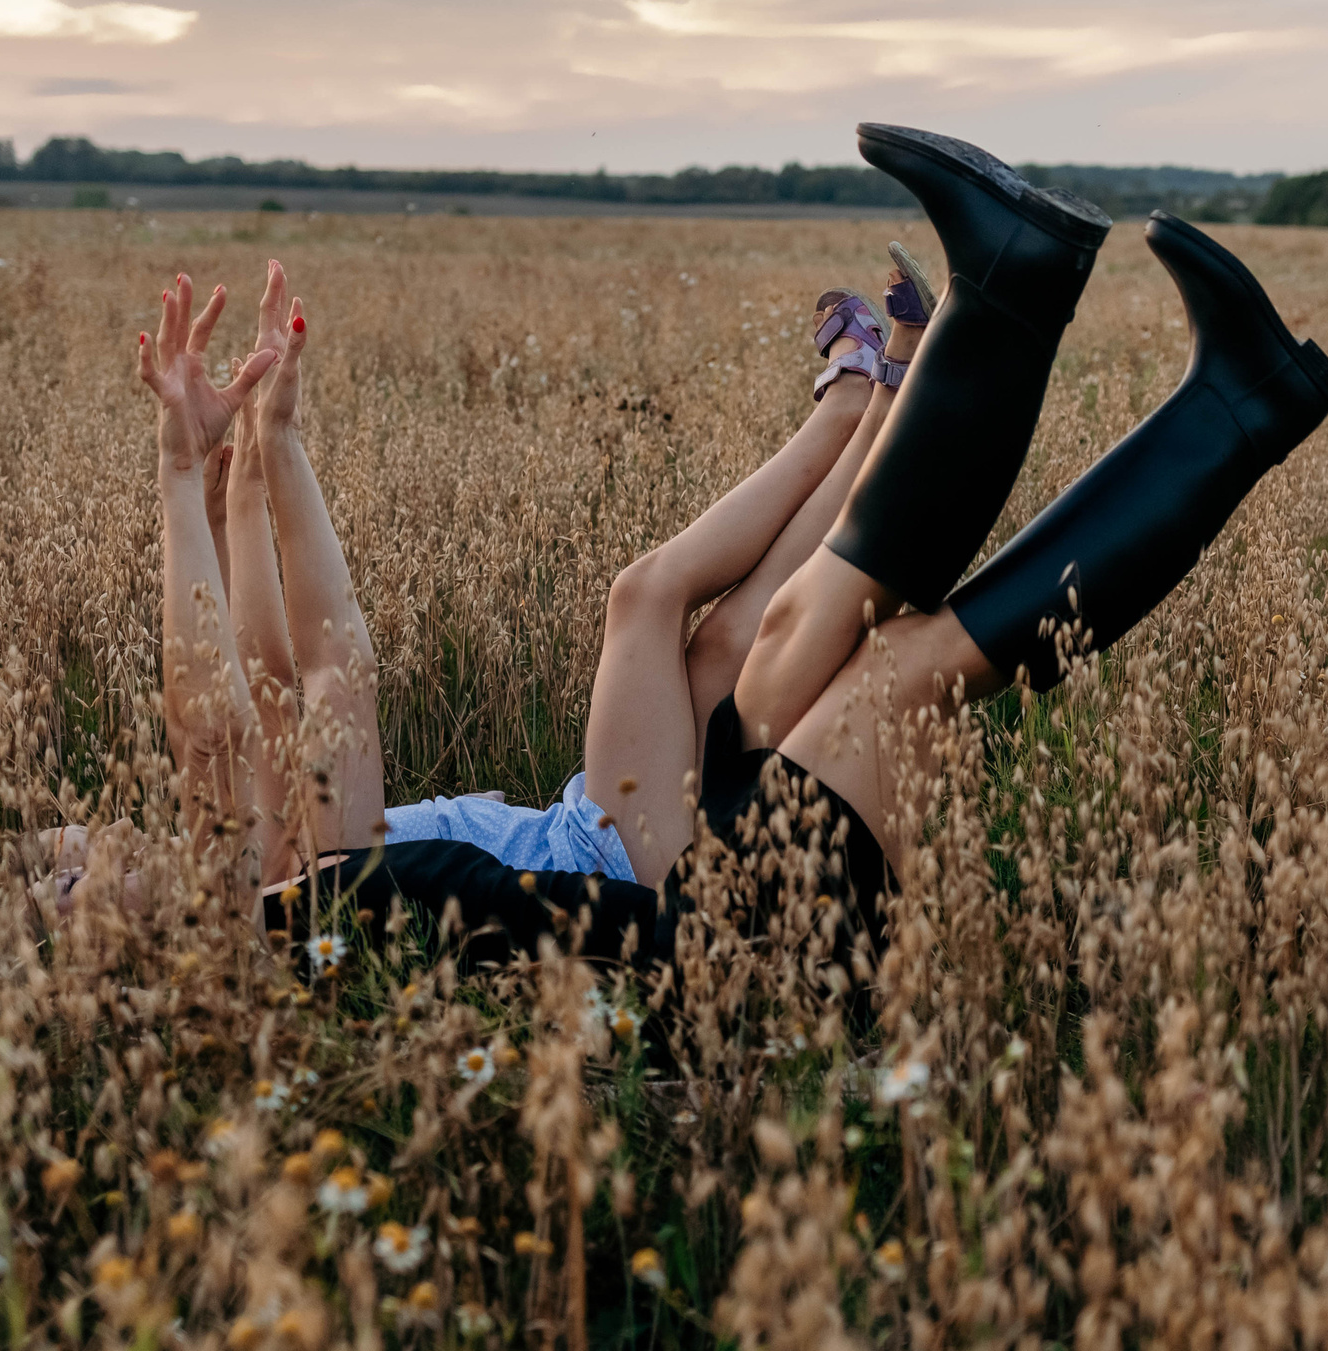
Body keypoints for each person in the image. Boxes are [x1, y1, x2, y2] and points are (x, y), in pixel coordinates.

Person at [46, 244, 935, 946]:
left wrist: (238, 470)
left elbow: (272, 673)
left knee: (728, 638)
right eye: (72, 882)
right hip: (611, 858)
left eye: (71, 853)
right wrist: (244, 453)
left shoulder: (279, 866)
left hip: (596, 831)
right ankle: (852, 407)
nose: (103, 841)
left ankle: (880, 405)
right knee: (647, 599)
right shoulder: (277, 888)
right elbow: (305, 678)